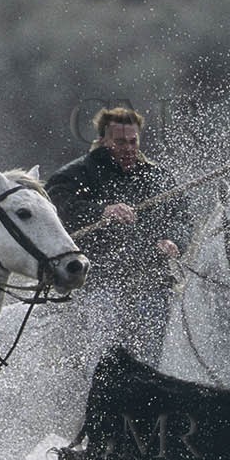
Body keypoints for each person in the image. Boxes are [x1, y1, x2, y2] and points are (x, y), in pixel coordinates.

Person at [45, 106, 192, 364]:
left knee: (150, 361)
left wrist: (174, 241)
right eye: (120, 142)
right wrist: (101, 211)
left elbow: (182, 218)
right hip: (98, 287)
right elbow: (54, 208)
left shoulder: (158, 177)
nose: (128, 148)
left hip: (152, 285)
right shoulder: (77, 174)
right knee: (105, 361)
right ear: (103, 140)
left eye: (133, 141)